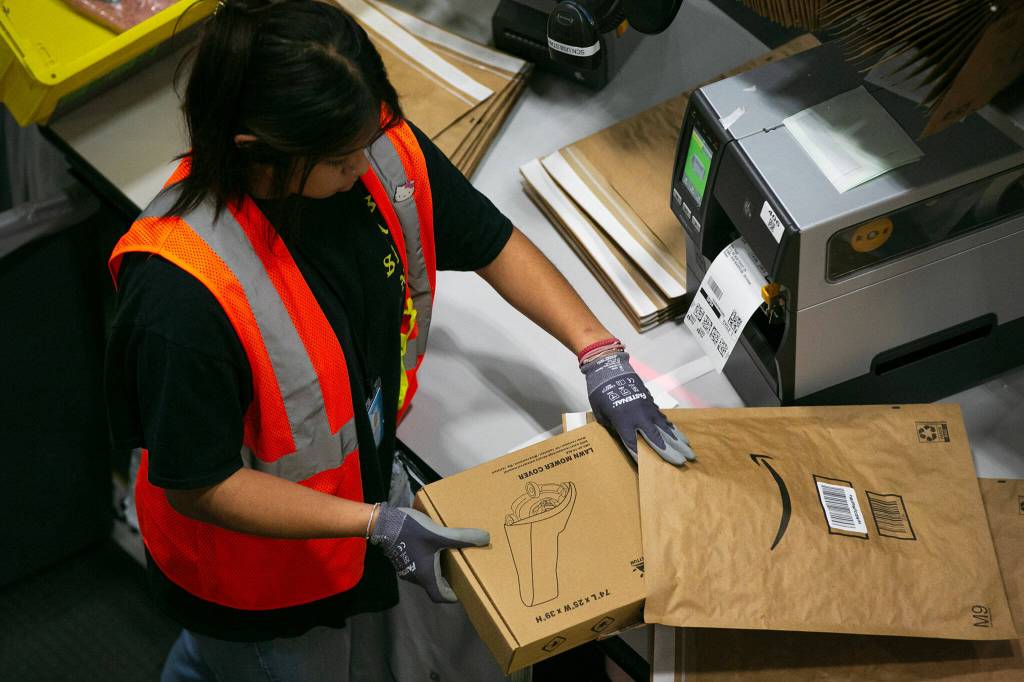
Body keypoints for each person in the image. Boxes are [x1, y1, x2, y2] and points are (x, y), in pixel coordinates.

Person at [104, 0, 696, 679]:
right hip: (256, 583)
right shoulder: (182, 296)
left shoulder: (370, 148)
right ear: (257, 154)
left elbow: (488, 239)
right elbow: (200, 484)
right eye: (341, 156)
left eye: (370, 133)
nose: (367, 160)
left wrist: (598, 351)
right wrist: (370, 525)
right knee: (261, 666)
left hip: (349, 515)